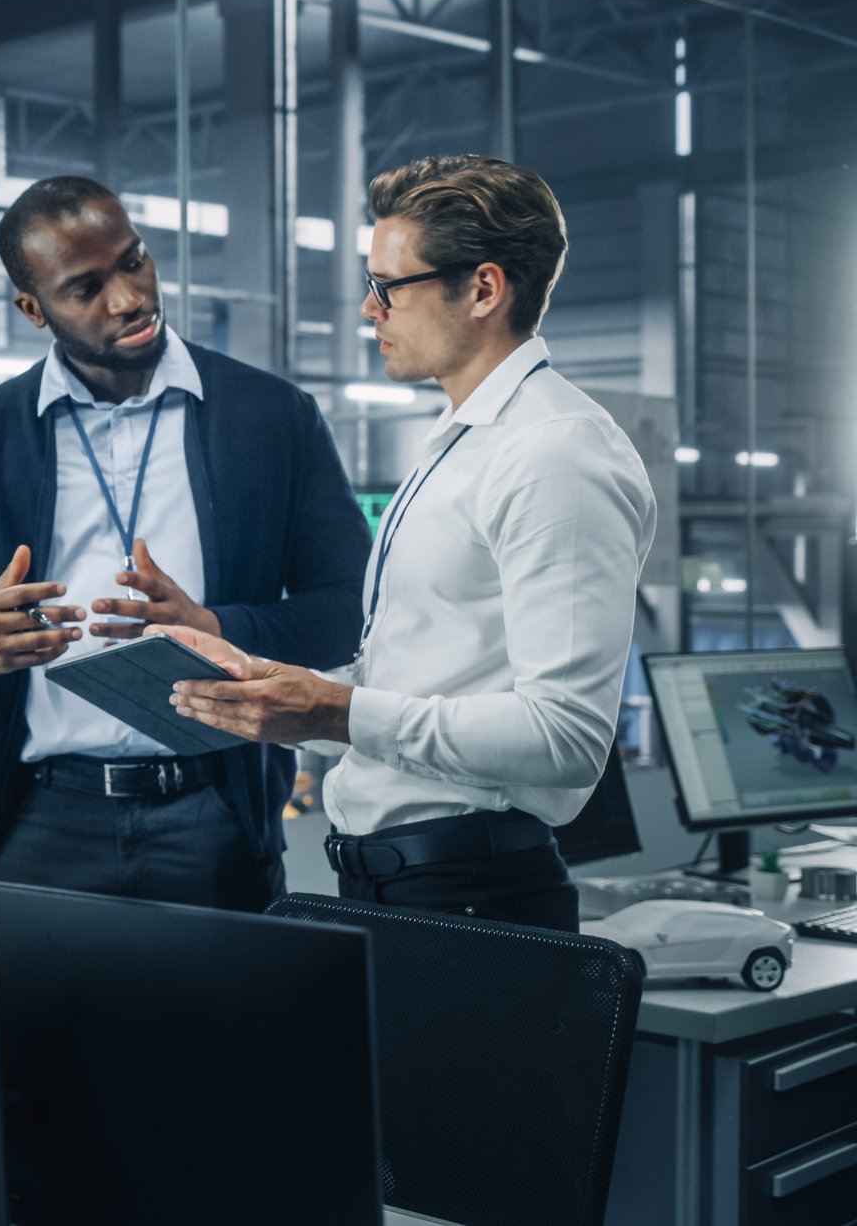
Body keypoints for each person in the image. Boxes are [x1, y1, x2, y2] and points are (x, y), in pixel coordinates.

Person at [160, 154, 655, 931]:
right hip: (401, 882)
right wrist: (282, 689)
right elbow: (423, 666)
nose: (367, 308)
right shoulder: (462, 440)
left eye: (389, 286)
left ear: (484, 288)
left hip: (470, 888)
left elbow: (566, 737)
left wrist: (338, 713)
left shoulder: (555, 452)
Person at [0, 175, 371, 911]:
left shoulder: (271, 418)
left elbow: (351, 608)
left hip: (217, 814)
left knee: (225, 1029)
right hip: (39, 821)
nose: (129, 298)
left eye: (134, 261)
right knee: (45, 1031)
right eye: (85, 288)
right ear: (32, 310)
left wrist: (220, 630)